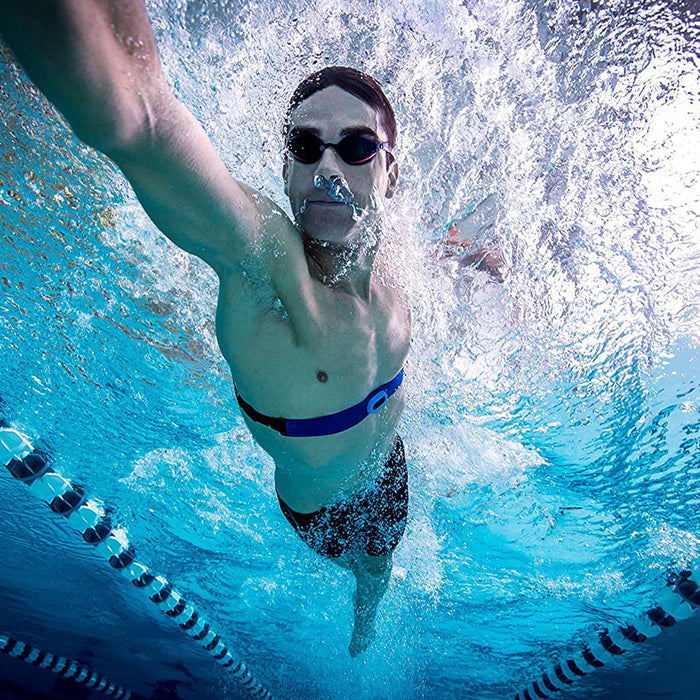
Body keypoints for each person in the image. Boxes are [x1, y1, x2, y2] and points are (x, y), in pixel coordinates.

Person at [0, 1, 410, 657]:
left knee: (381, 563)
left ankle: (370, 597)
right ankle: (361, 598)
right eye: (306, 147)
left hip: (389, 464)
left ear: (390, 172)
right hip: (320, 510)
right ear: (286, 171)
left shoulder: (391, 272)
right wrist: (128, 100)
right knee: (357, 560)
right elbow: (143, 125)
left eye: (357, 147)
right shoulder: (271, 276)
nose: (329, 169)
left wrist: (467, 256)